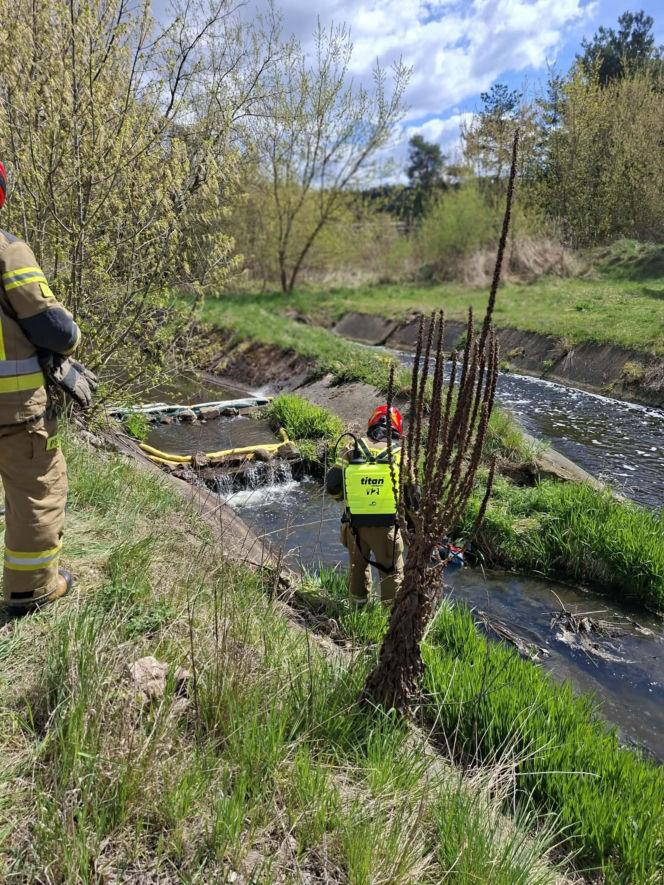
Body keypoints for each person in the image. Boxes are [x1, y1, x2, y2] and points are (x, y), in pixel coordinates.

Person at [0, 160, 83, 610]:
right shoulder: (8, 251)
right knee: (39, 491)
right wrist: (72, 339)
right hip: (12, 412)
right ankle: (30, 590)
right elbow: (55, 330)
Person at [326, 405, 405, 608]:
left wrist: (346, 500)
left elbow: (333, 486)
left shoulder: (351, 449)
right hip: (388, 528)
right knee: (391, 574)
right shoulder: (400, 455)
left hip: (354, 527)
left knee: (357, 570)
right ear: (398, 429)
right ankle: (391, 621)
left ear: (371, 423)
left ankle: (356, 613)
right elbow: (414, 497)